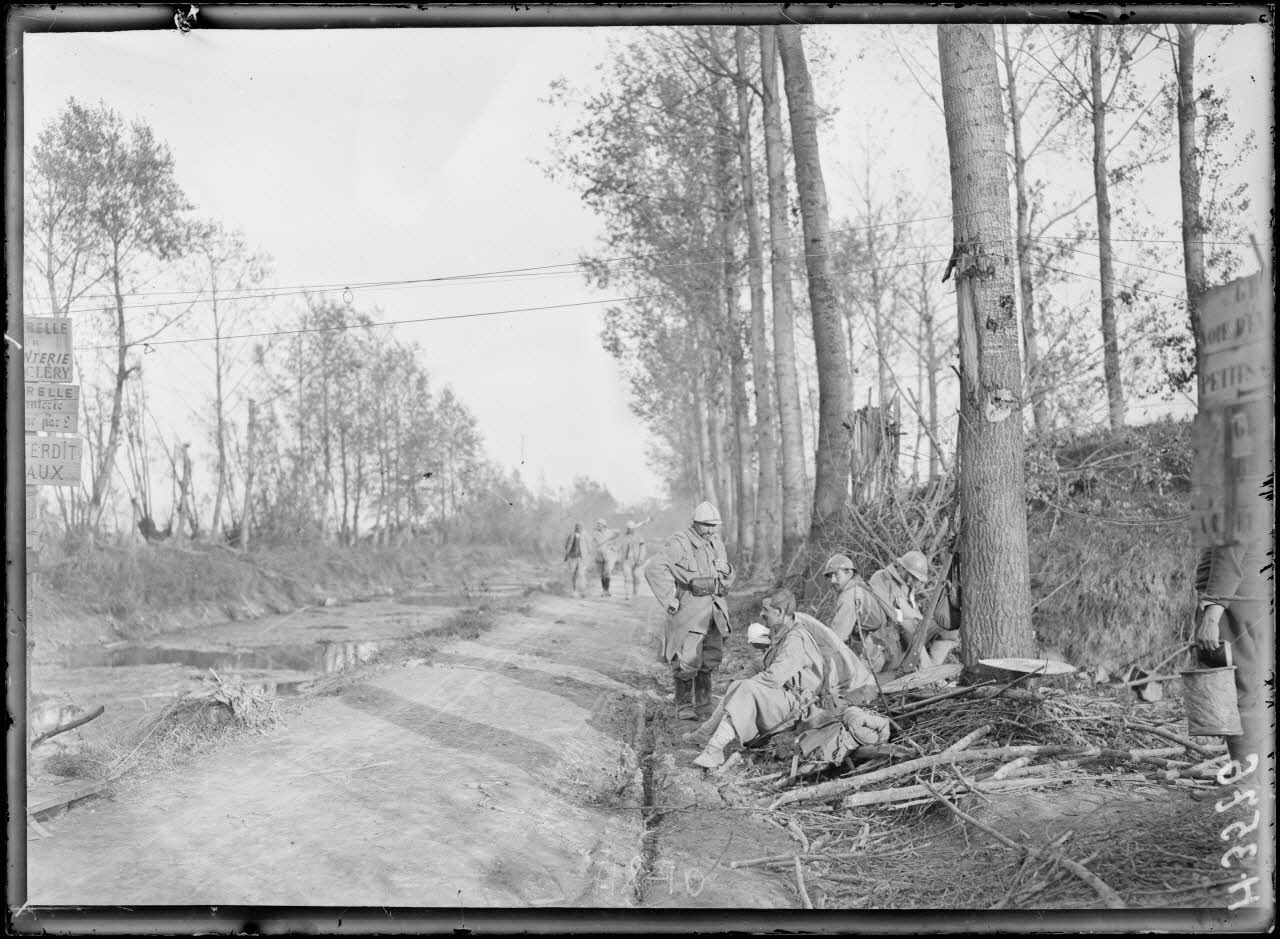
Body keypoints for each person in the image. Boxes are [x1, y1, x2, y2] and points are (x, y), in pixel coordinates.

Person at [684, 589, 842, 769]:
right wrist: (739, 681)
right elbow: (763, 663)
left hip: (801, 706)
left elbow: (774, 677)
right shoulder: (785, 633)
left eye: (765, 610)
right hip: (789, 698)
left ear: (780, 612)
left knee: (745, 688)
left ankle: (713, 749)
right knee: (740, 686)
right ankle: (706, 735)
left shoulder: (797, 638)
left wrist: (744, 685)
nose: (761, 614)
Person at [644, 501, 735, 720]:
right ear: (695, 522)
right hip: (691, 613)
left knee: (710, 659)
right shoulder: (680, 542)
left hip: (714, 611)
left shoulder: (716, 543)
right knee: (687, 660)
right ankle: (683, 706)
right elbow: (653, 568)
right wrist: (669, 599)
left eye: (714, 525)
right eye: (706, 525)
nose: (710, 530)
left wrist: (727, 570)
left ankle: (704, 705)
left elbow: (727, 578)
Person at [1193, 537, 1271, 777]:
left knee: (1236, 693)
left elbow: (1228, 557)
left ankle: (1245, 782)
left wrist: (1211, 617)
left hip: (1233, 606)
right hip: (1247, 601)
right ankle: (1248, 778)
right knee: (1246, 691)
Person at [618, 519, 649, 600]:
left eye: (631, 528)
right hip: (626, 560)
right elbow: (619, 548)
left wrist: (640, 559)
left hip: (637, 560)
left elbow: (642, 548)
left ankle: (635, 593)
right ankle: (628, 594)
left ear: (634, 528)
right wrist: (619, 559)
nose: (630, 530)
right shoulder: (623, 537)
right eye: (628, 528)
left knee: (637, 577)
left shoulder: (639, 537)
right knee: (627, 578)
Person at [593, 518, 622, 597]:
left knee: (607, 572)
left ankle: (607, 590)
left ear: (604, 525)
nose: (598, 526)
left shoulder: (609, 532)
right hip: (599, 555)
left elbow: (619, 533)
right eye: (597, 524)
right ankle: (604, 590)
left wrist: (611, 541)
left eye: (599, 524)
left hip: (607, 555)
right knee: (602, 574)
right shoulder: (595, 533)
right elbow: (596, 542)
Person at [562, 522, 589, 598]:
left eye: (580, 528)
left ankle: (583, 591)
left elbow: (588, 547)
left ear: (582, 529)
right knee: (573, 574)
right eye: (577, 528)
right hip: (572, 557)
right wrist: (568, 553)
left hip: (581, 558)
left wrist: (586, 556)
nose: (578, 529)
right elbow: (566, 545)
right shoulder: (571, 536)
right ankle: (574, 591)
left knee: (581, 574)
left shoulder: (584, 536)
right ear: (575, 528)